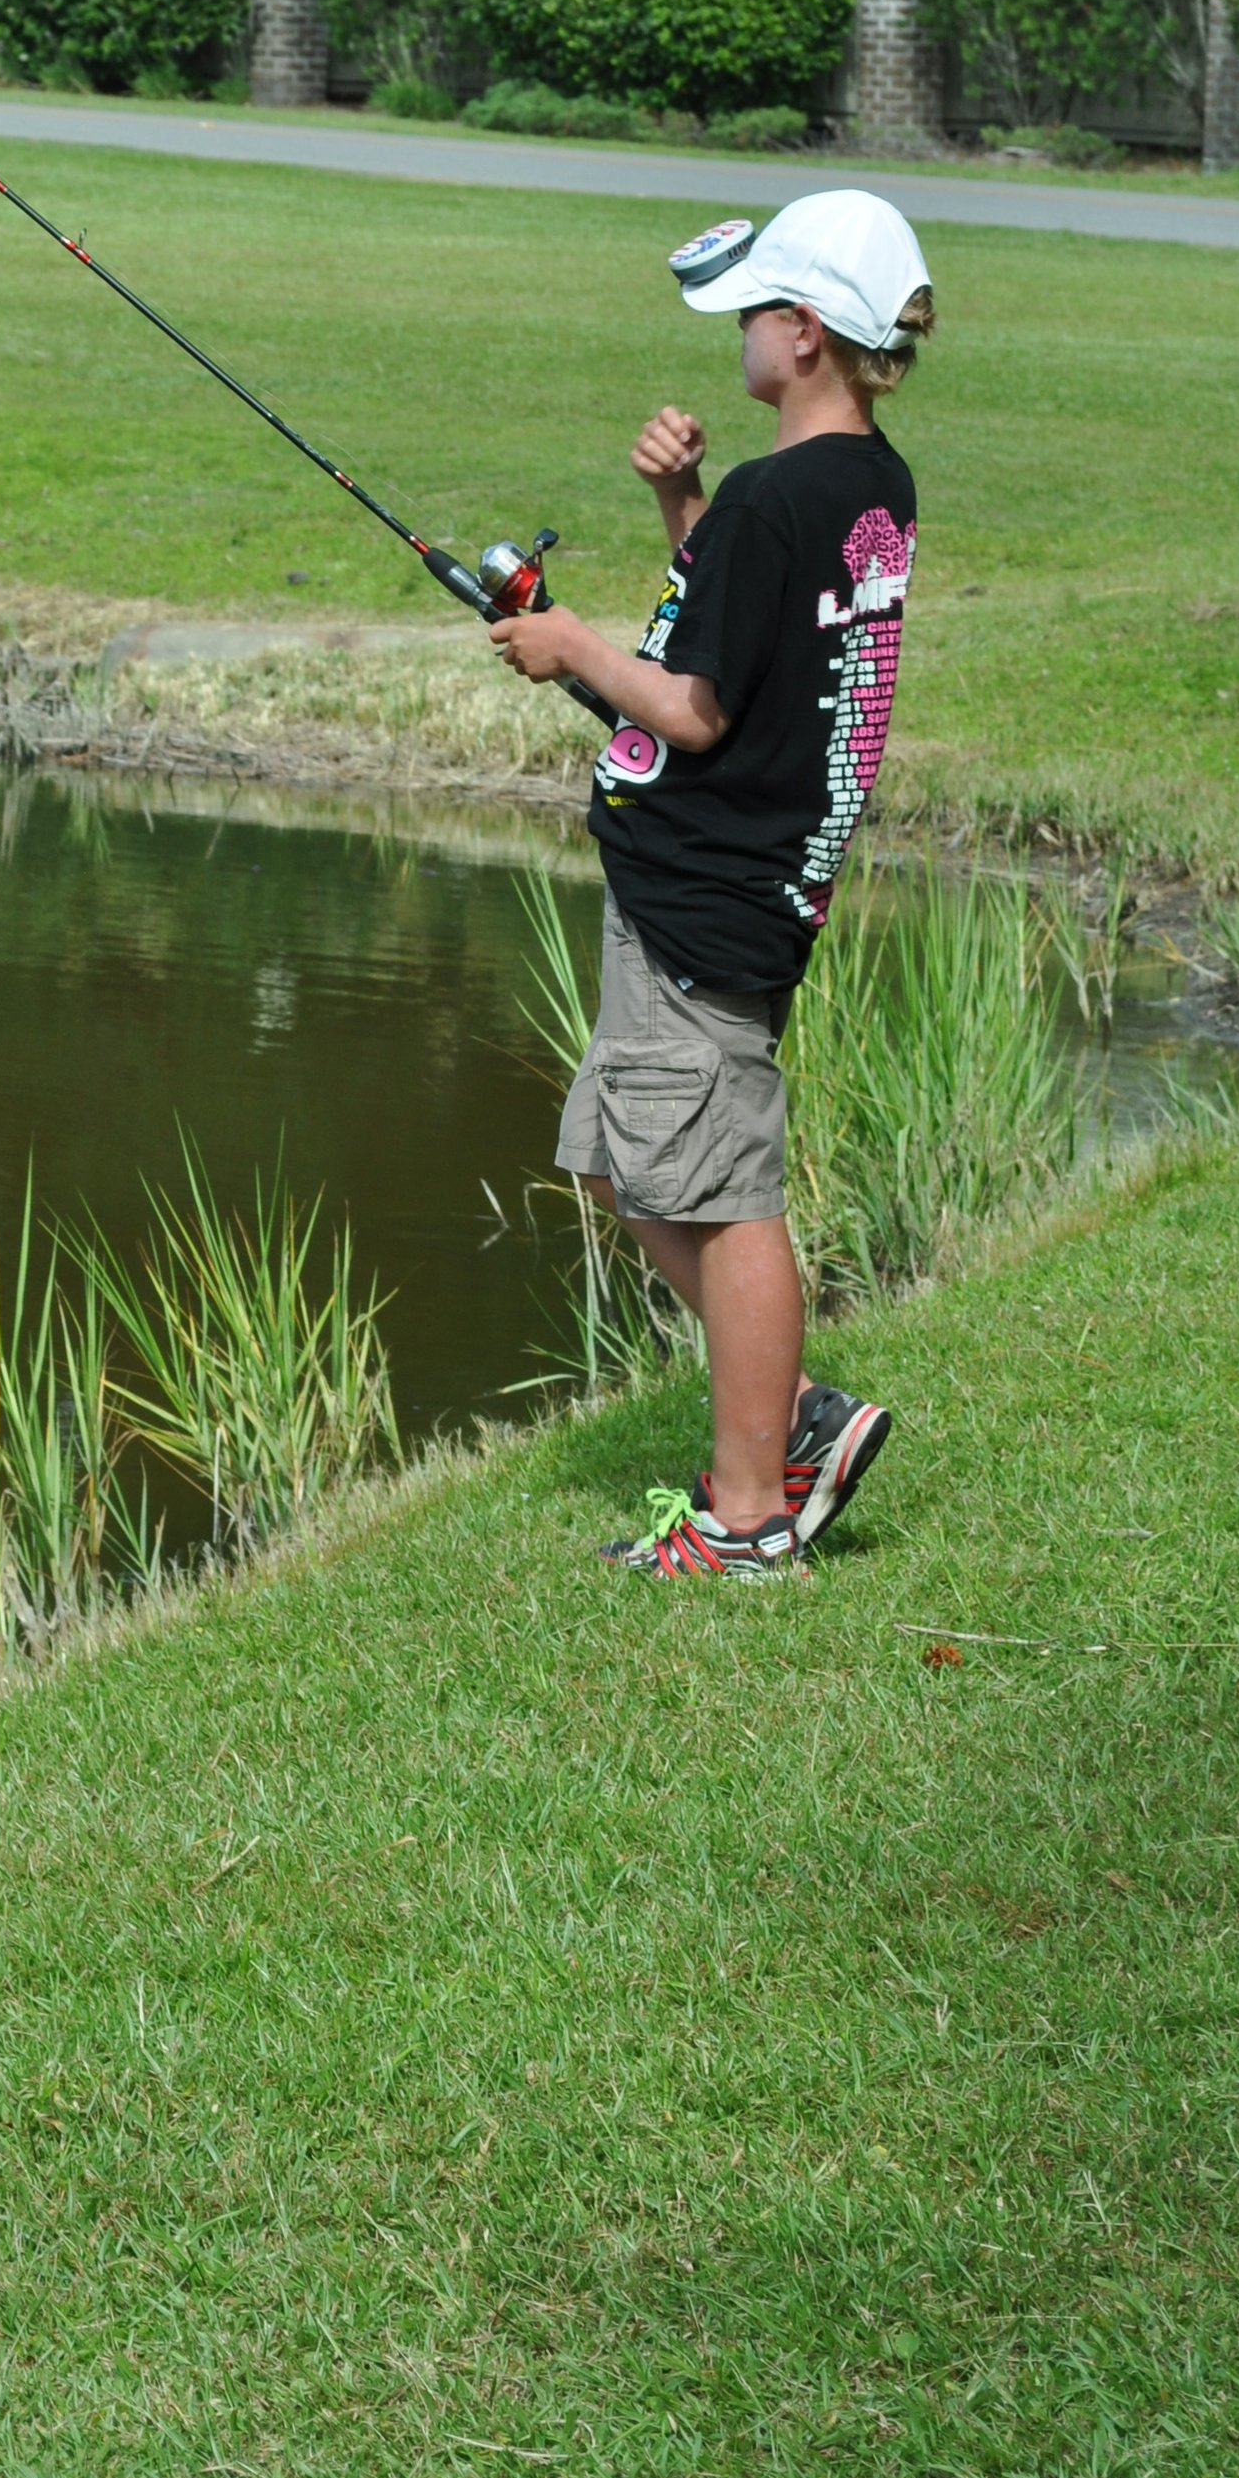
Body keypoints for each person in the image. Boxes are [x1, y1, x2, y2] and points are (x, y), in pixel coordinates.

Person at [490, 189, 932, 1578]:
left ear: (801, 332)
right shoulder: (866, 488)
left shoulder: (772, 499)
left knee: (726, 1196)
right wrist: (680, 507)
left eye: (752, 310)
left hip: (705, 893)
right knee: (629, 1168)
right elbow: (744, 631)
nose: (736, 330)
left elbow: (694, 708)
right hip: (753, 879)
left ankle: (749, 1516)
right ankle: (785, 1408)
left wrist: (568, 647)